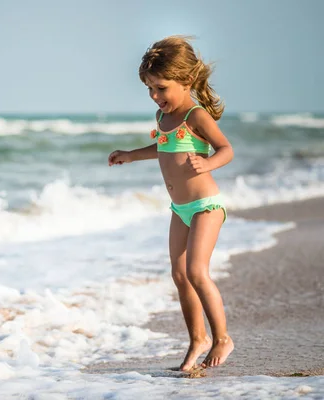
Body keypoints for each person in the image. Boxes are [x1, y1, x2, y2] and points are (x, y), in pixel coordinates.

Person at [108, 36, 234, 371]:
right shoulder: (162, 118)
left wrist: (207, 164)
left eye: (161, 88)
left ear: (186, 81)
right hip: (180, 209)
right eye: (149, 88)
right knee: (179, 274)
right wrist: (132, 155)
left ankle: (222, 337)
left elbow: (226, 149)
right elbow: (164, 148)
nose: (155, 96)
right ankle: (198, 339)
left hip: (205, 205)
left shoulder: (196, 116)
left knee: (196, 271)